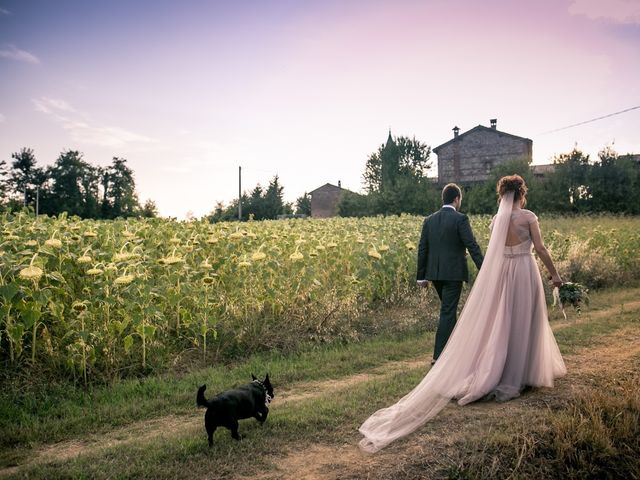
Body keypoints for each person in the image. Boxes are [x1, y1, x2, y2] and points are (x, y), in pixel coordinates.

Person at [359, 175, 566, 453]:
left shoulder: (495, 220)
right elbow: (535, 248)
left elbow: (488, 253)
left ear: (502, 194)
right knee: (524, 320)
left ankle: (481, 364)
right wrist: (554, 275)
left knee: (502, 321)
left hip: (497, 274)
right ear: (522, 193)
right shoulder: (527, 216)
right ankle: (516, 371)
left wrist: (427, 275)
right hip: (521, 271)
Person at [416, 183, 483, 365]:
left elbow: (422, 248)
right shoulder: (460, 219)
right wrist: (484, 267)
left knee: (448, 311)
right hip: (453, 274)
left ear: (443, 199)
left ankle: (454, 352)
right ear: (456, 199)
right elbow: (472, 245)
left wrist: (421, 276)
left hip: (435, 274)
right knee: (447, 312)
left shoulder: (429, 220)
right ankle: (438, 357)